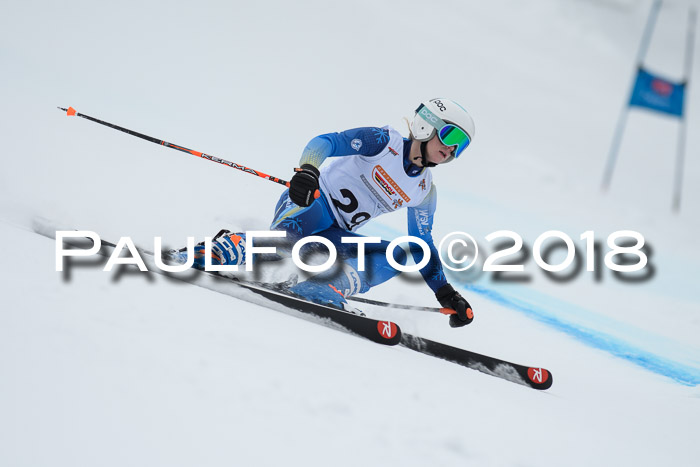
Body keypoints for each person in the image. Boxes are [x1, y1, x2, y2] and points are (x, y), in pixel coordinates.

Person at [188, 98, 475, 327]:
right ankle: (216, 252)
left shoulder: (424, 189)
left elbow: (422, 243)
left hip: (334, 234)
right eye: (450, 136)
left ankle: (324, 290)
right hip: (311, 202)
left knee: (401, 253)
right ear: (427, 125)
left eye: (460, 146)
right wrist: (308, 171)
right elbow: (325, 142)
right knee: (284, 242)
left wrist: (446, 292)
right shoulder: (383, 141)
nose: (451, 149)